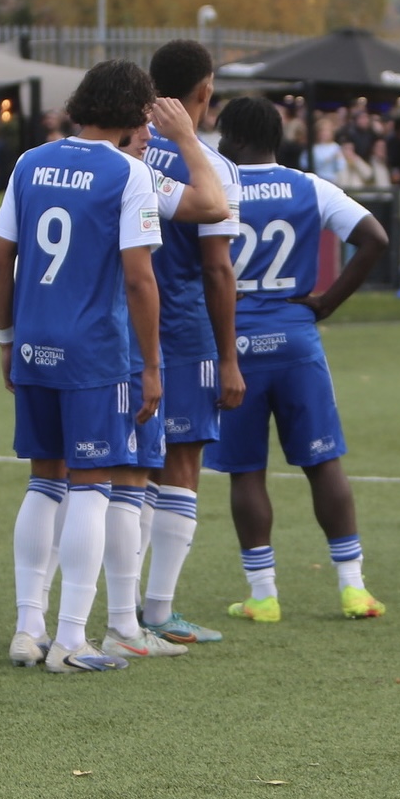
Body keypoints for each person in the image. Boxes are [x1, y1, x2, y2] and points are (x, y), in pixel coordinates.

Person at [0, 61, 169, 675]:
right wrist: (151, 364)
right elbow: (141, 279)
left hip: (35, 343)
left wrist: (8, 339)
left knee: (44, 482)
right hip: (96, 353)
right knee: (91, 486)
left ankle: (26, 628)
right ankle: (71, 641)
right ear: (132, 115)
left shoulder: (29, 162)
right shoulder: (130, 172)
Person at [207, 96, 391, 622]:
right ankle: (353, 588)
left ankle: (263, 596)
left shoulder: (214, 187)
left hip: (234, 345)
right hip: (296, 341)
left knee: (246, 472)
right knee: (322, 461)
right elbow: (374, 238)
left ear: (237, 139)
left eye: (222, 136)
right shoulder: (309, 185)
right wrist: (326, 303)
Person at [128, 38, 244, 648]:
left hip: (125, 332)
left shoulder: (129, 148)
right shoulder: (209, 166)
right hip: (185, 333)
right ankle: (156, 610)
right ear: (205, 90)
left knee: (127, 469)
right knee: (181, 466)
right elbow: (218, 269)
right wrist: (229, 357)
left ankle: (120, 613)